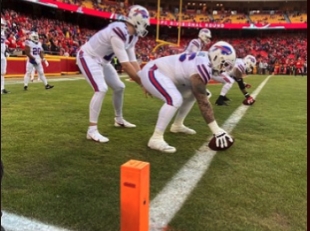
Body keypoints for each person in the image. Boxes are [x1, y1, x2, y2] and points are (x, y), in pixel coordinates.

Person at [138, 41, 236, 153]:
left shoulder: (206, 60)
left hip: (166, 74)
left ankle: (177, 125)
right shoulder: (203, 66)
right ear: (217, 57)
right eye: (224, 64)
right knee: (175, 99)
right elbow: (203, 101)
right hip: (154, 71)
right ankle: (156, 138)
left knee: (190, 95)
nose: (224, 68)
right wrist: (217, 130)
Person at [76, 5, 150, 143]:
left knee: (119, 87)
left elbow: (133, 61)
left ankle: (119, 119)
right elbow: (126, 65)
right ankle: (91, 130)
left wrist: (144, 80)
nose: (145, 27)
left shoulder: (132, 36)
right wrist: (142, 84)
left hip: (103, 62)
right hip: (88, 57)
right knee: (101, 89)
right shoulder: (118, 30)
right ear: (138, 21)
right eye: (144, 23)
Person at [184, 28, 212, 98]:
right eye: (207, 37)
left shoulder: (200, 44)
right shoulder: (195, 41)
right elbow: (194, 54)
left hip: (188, 64)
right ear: (202, 35)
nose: (208, 39)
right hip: (185, 63)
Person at [1, 18, 10, 95]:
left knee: (2, 72)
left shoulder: (3, 32)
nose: (2, 26)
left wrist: (6, 52)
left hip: (2, 54)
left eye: (3, 25)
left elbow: (3, 44)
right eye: (1, 25)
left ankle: (2, 88)